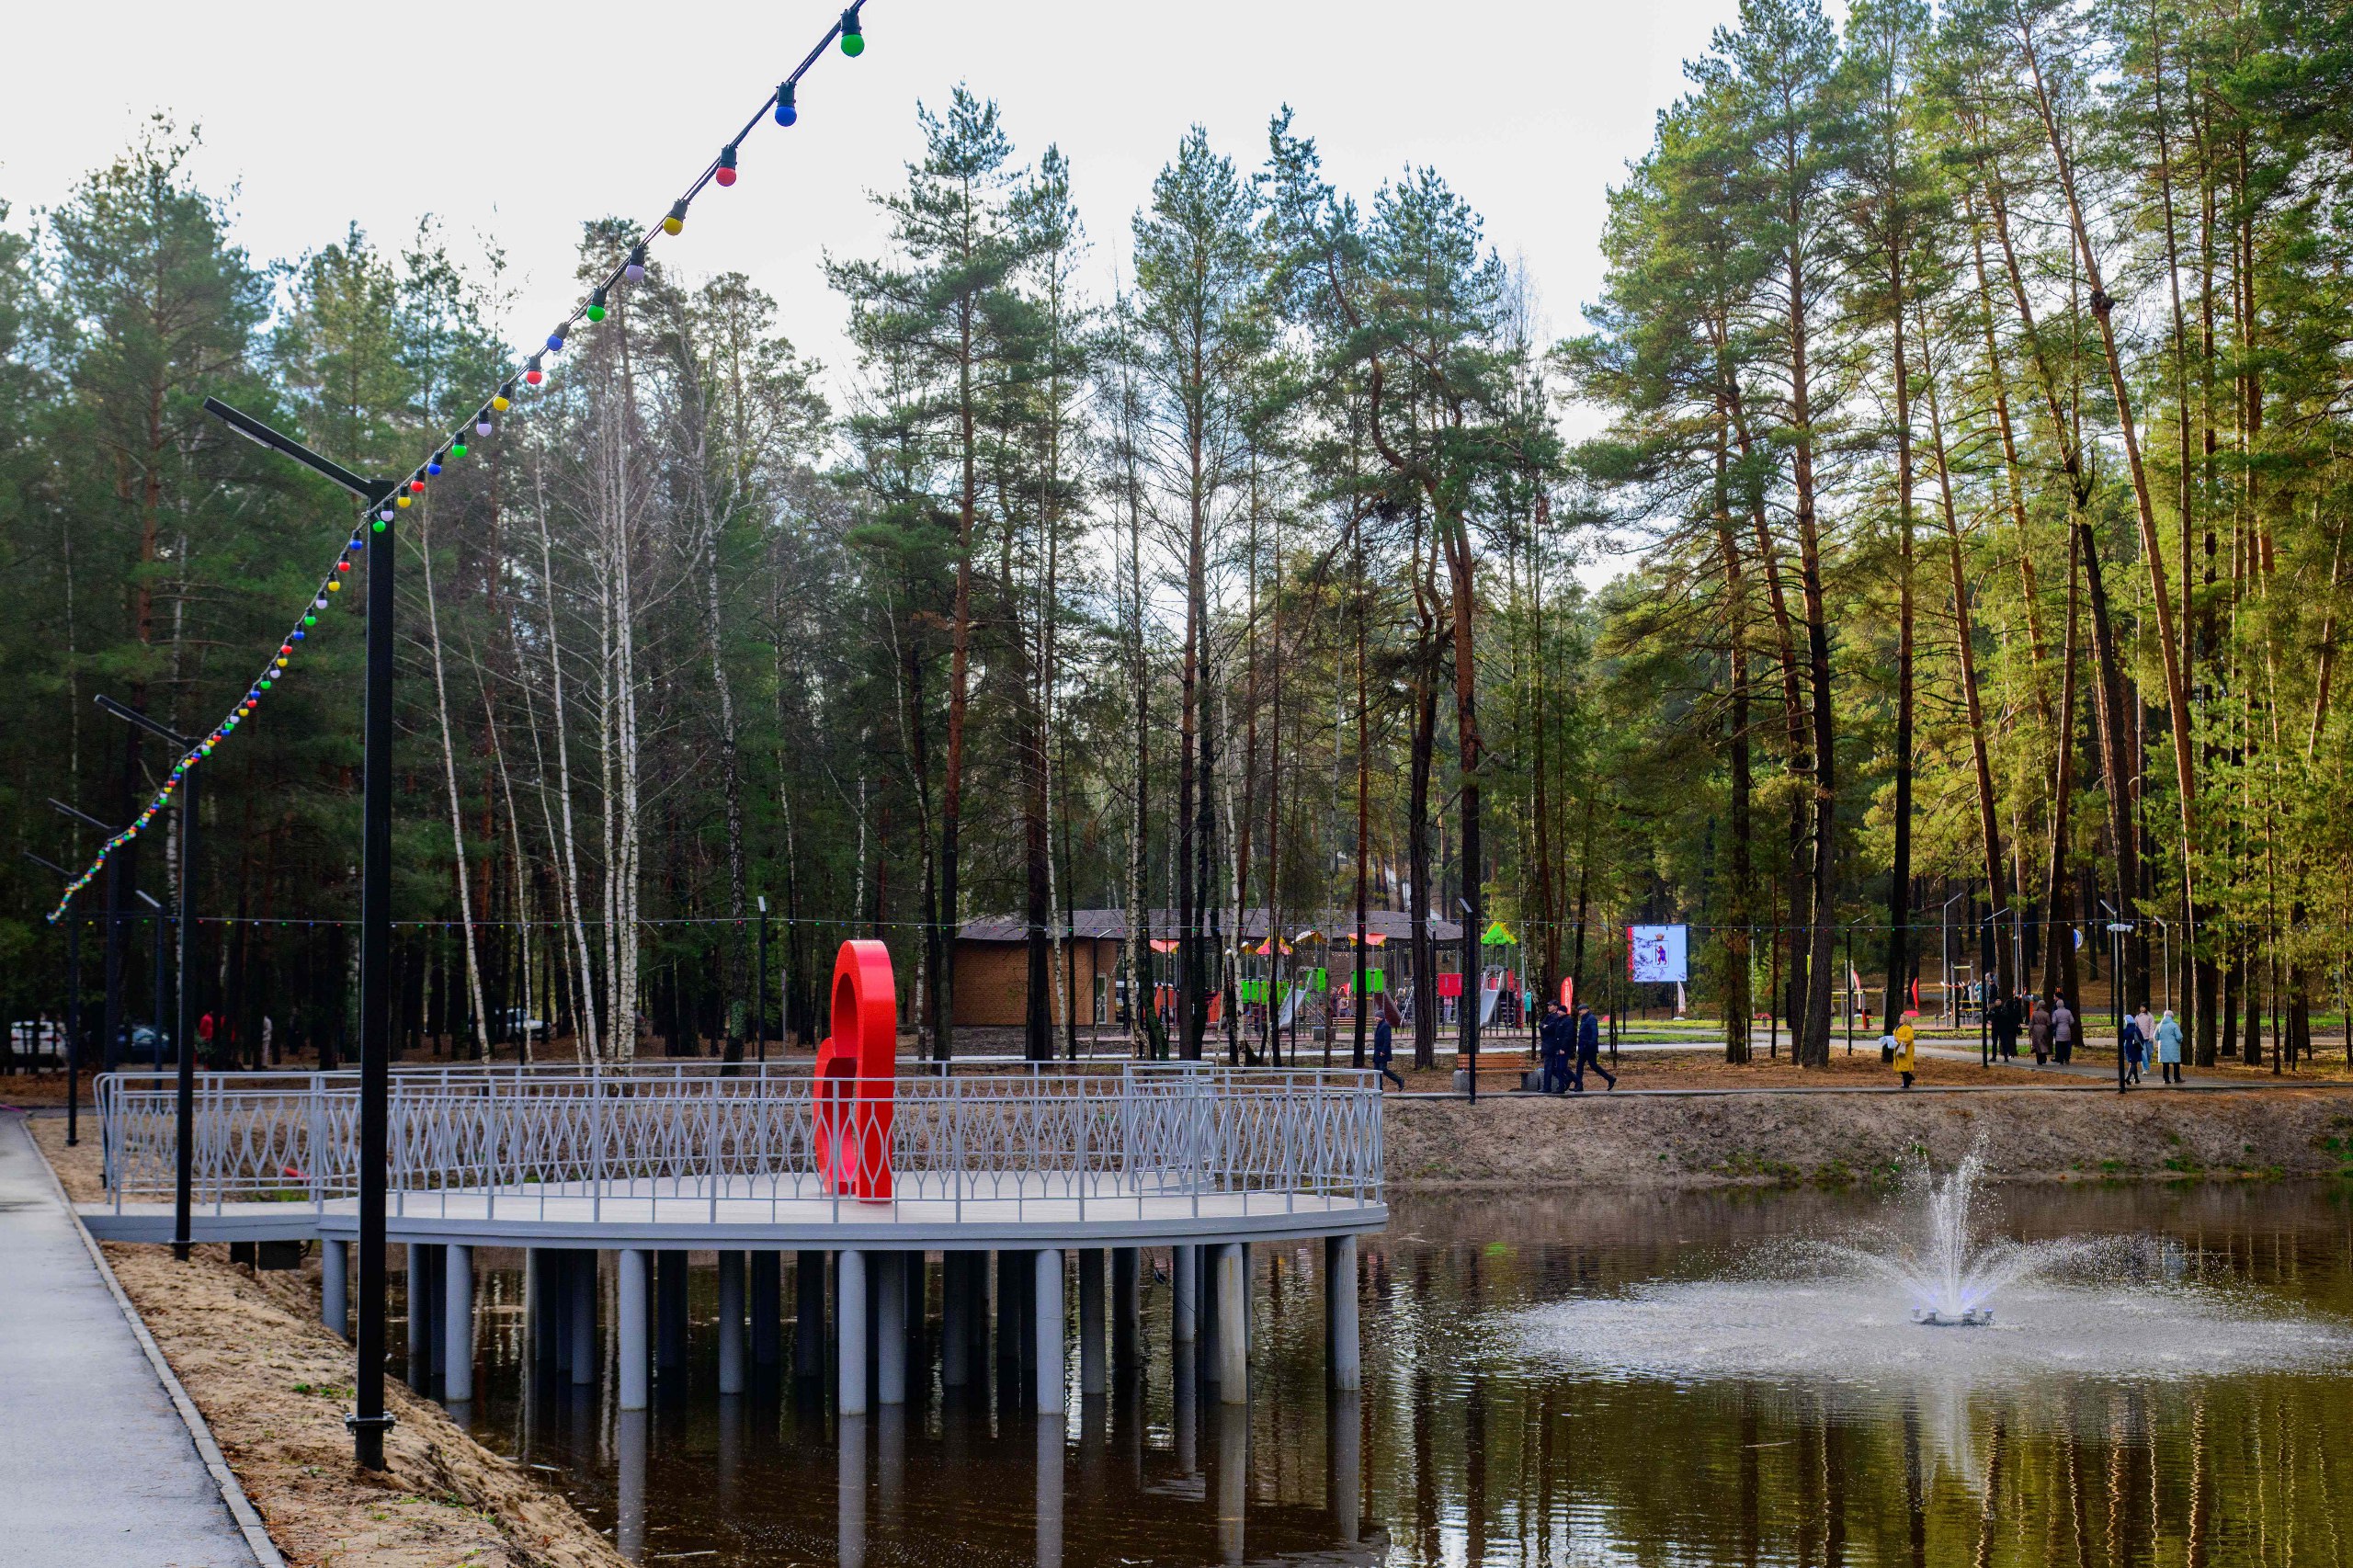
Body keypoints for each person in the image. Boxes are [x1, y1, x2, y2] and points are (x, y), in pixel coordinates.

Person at [1572, 1002, 1615, 1092]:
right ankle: (1579, 1085)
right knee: (1580, 1066)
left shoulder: (1591, 1019)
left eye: (1581, 1010)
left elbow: (1595, 1032)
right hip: (1584, 1047)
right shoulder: (1585, 1019)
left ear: (1586, 1009)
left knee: (1593, 1066)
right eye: (1579, 1010)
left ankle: (1610, 1078)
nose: (1579, 1012)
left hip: (1588, 1047)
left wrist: (1591, 1043)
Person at [1539, 1000, 1574, 1095]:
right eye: (1548, 1005)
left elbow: (1550, 1028)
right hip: (1547, 1044)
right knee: (1553, 1067)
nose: (1548, 1007)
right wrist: (1543, 1026)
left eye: (1550, 1006)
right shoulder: (1548, 1016)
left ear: (1555, 1007)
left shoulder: (1556, 1018)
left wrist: (1545, 1027)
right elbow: (1540, 1024)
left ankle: (1547, 1087)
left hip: (1551, 1045)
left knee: (1549, 1066)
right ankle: (1566, 1079)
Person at [1371, 1008, 1404, 1092]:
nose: (1375, 1018)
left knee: (1383, 1069)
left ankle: (1399, 1080)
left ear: (1381, 1017)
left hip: (1382, 1052)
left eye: (1377, 1017)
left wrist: (1383, 1051)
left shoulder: (1385, 1026)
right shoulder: (1380, 1025)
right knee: (1376, 1071)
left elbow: (1387, 1040)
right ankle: (1379, 1088)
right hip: (1377, 1052)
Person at [2155, 1007, 2185, 1085]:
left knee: (2165, 1063)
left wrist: (2161, 1040)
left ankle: (2166, 1079)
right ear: (2171, 1017)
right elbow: (2179, 1036)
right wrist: (2179, 1041)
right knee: (2176, 1062)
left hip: (2163, 1047)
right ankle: (2177, 1078)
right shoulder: (2174, 1025)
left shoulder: (2159, 1025)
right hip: (2173, 1047)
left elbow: (2156, 1037)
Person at [1893, 1010, 1918, 1089]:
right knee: (1901, 1066)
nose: (1900, 1019)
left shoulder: (1908, 1028)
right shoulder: (1898, 1027)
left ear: (1906, 1019)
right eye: (1900, 1017)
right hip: (1899, 1048)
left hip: (1906, 1050)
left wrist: (1898, 1039)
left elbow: (1909, 1038)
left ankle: (1906, 1083)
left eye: (1901, 1018)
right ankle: (1908, 1078)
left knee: (1904, 1067)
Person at [2120, 1008, 2144, 1085]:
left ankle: (2132, 1078)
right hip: (2136, 1047)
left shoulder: (2126, 1030)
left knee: (2132, 1062)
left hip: (2129, 1047)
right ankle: (2131, 1078)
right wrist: (2141, 1046)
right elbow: (2141, 1039)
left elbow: (2122, 1039)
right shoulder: (2136, 1029)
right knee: (2134, 1062)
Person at [2051, 994, 2075, 1065]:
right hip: (2067, 1030)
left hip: (2059, 1031)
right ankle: (2067, 1058)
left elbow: (2054, 1022)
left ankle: (2061, 1059)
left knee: (2060, 1045)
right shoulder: (2068, 1012)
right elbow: (2072, 1021)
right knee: (2067, 1045)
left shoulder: (2056, 1012)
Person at [2028, 996, 2052, 1065]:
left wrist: (2030, 1029)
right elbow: (2049, 1023)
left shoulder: (2035, 1013)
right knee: (2043, 1043)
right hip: (2044, 1029)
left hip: (2036, 1030)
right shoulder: (2046, 1014)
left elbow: (2031, 1023)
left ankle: (2039, 1060)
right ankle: (2044, 1057)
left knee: (2037, 1045)